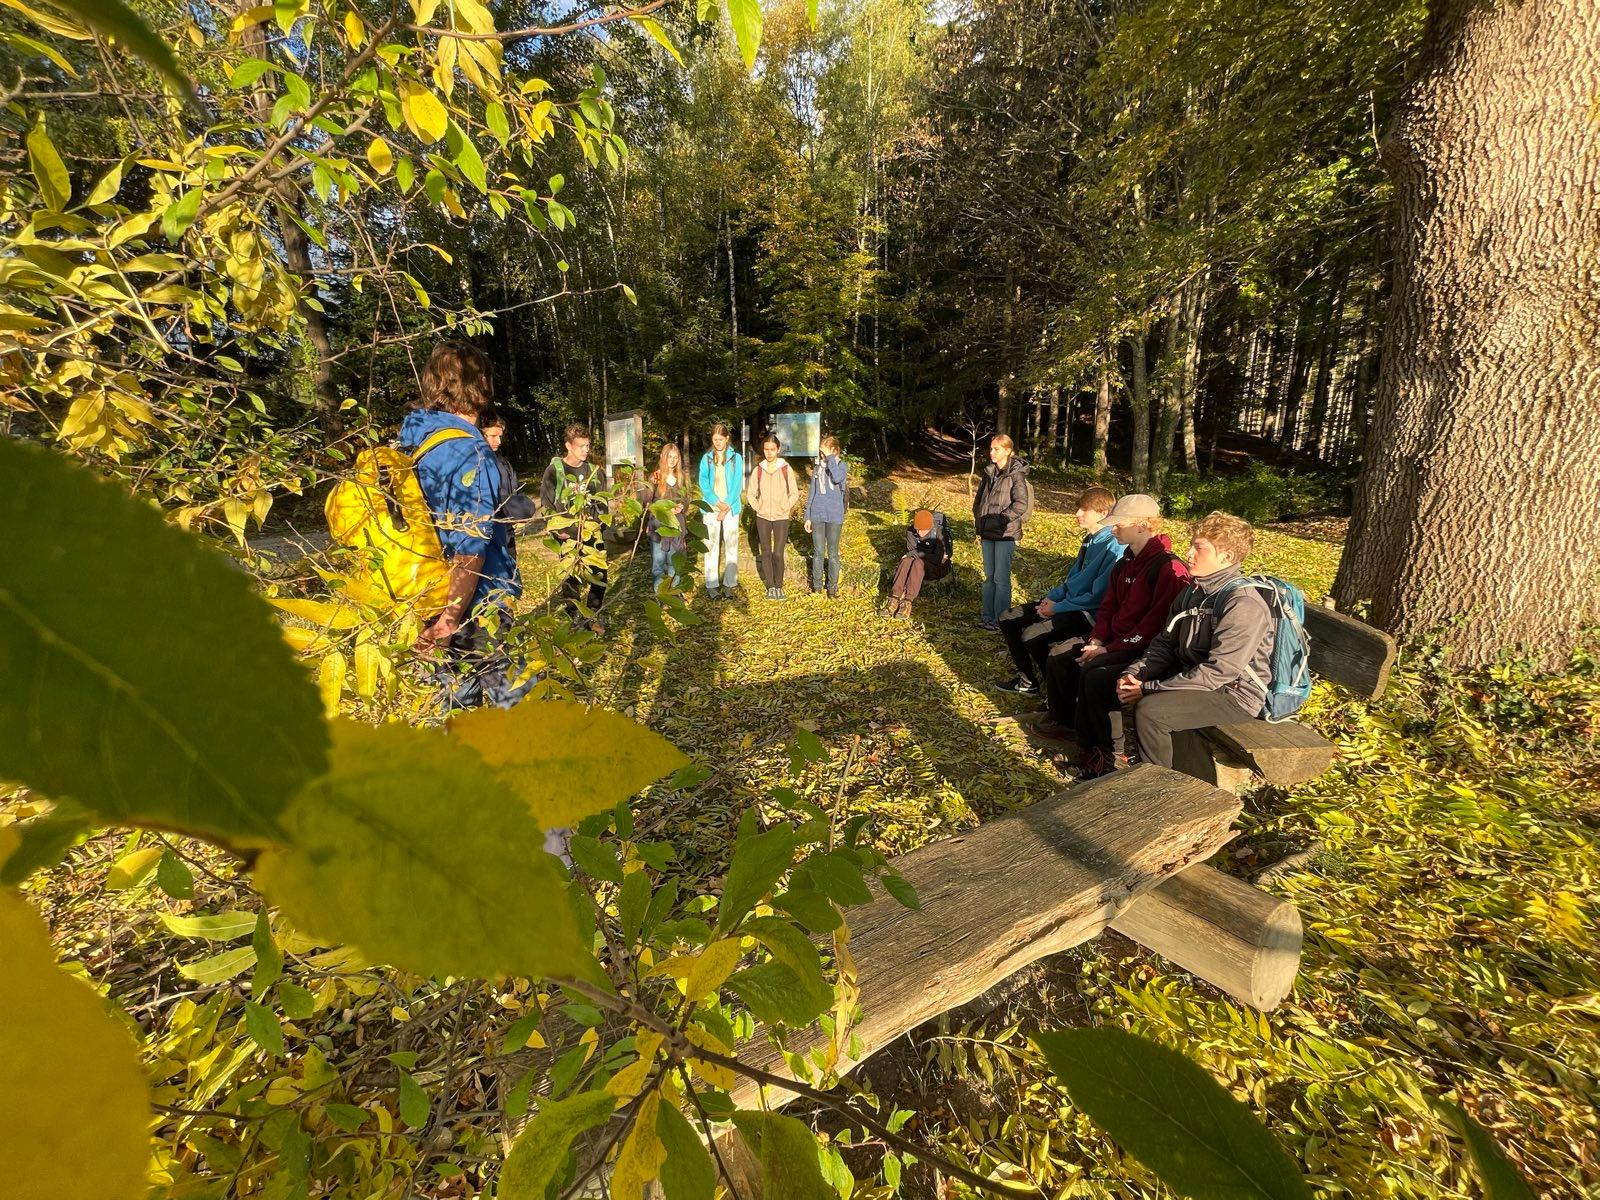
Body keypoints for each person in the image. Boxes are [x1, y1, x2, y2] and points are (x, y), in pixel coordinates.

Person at [397, 342, 532, 711]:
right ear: (481, 384)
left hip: (425, 592)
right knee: (520, 705)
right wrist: (449, 621)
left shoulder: (415, 440)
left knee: (457, 703)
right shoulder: (467, 452)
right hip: (473, 605)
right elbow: (469, 550)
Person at [1036, 494, 1192, 777]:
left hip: (1142, 650)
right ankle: (1073, 729)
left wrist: (1108, 650)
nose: (1113, 529)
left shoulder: (1168, 568)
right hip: (1113, 641)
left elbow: (1154, 627)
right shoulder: (1125, 563)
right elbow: (1108, 607)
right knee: (1062, 656)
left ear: (1142, 525)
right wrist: (1096, 639)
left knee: (1097, 673)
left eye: (1118, 524)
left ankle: (1111, 753)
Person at [1119, 511, 1275, 776]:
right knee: (1111, 678)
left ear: (1225, 557)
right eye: (1191, 544)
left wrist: (1149, 689)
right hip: (1195, 681)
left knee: (1152, 711)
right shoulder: (1194, 591)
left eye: (1199, 548)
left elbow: (1220, 672)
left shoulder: (1243, 603)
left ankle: (1158, 787)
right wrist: (1135, 673)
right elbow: (1165, 642)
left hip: (1234, 695)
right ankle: (1117, 761)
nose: (1189, 553)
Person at [993, 487, 1119, 695]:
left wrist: (1058, 607)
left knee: (1033, 636)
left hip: (1088, 613)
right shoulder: (1090, 539)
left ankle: (1057, 692)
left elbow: (1098, 597)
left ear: (1103, 513)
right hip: (1068, 603)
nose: (1077, 514)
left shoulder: (1113, 546)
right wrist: (1050, 599)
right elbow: (1073, 579)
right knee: (1008, 617)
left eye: (1084, 509)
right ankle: (1029, 680)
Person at [540, 423, 608, 632]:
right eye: (581, 446)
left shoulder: (595, 472)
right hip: (567, 536)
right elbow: (547, 504)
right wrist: (555, 531)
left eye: (588, 446)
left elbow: (603, 502)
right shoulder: (555, 471)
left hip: (590, 533)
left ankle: (593, 613)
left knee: (600, 574)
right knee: (571, 577)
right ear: (568, 446)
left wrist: (599, 526)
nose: (586, 450)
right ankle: (575, 615)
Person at [971, 433, 1030, 630]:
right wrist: (979, 519)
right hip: (987, 533)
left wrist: (1000, 520)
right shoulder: (989, 472)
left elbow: (1021, 504)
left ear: (1008, 451)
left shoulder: (1016, 474)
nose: (992, 452)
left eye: (996, 449)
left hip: (1005, 534)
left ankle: (1001, 621)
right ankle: (987, 617)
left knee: (1000, 578)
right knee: (989, 578)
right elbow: (979, 500)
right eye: (991, 448)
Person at [745, 432, 799, 599]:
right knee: (766, 552)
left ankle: (779, 585)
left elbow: (794, 493)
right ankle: (771, 587)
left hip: (781, 517)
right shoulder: (758, 470)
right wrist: (758, 507)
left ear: (778, 449)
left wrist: (786, 506)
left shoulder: (786, 469)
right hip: (763, 517)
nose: (769, 453)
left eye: (772, 449)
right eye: (766, 449)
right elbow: (750, 494)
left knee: (778, 553)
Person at [481, 411, 536, 561]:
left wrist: (521, 508)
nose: (498, 441)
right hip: (486, 538)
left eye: (500, 436)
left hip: (507, 535)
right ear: (481, 434)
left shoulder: (504, 463)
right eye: (493, 436)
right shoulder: (475, 464)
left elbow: (518, 495)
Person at [698, 423, 744, 599]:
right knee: (711, 545)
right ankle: (711, 584)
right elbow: (703, 483)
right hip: (711, 508)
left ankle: (730, 584)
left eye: (720, 439)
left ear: (727, 439)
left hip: (731, 508)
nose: (717, 443)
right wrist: (716, 502)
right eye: (714, 440)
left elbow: (737, 485)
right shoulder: (707, 458)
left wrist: (726, 506)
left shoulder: (736, 458)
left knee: (731, 545)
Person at [885, 508, 952, 618]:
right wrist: (913, 554)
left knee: (918, 563)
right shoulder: (911, 532)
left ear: (930, 527)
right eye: (918, 529)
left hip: (937, 567)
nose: (920, 533)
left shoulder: (940, 532)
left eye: (924, 530)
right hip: (919, 564)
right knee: (906, 561)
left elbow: (938, 557)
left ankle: (907, 601)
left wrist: (916, 554)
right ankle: (894, 597)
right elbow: (910, 552)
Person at [804, 435, 849, 598]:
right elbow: (812, 493)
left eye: (825, 451)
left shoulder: (841, 465)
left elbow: (837, 478)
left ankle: (832, 588)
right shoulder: (817, 469)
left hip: (835, 516)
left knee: (833, 553)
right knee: (818, 552)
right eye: (821, 451)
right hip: (817, 514)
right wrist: (807, 516)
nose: (822, 454)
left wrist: (830, 457)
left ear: (834, 451)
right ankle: (816, 587)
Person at [647, 442, 690, 591]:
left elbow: (686, 499)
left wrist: (682, 506)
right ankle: (660, 594)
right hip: (659, 526)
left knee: (674, 562)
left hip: (676, 526)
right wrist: (664, 511)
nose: (672, 460)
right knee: (658, 564)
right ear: (662, 457)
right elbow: (649, 503)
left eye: (675, 457)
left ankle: (673, 593)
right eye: (669, 457)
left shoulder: (681, 477)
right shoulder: (655, 477)